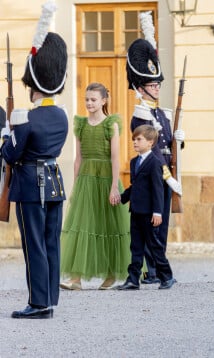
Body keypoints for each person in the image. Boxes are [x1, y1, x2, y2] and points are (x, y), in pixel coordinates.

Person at [1, 2, 68, 319]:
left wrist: (8, 132)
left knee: (34, 246)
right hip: (54, 182)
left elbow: (10, 154)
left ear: (32, 85)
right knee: (51, 243)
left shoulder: (26, 118)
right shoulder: (61, 116)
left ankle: (39, 303)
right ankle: (50, 297)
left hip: (31, 186)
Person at [126, 11, 184, 285]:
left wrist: (180, 140)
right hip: (156, 173)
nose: (157, 88)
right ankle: (154, 271)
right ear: (140, 88)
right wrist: (167, 175)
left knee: (161, 225)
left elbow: (168, 143)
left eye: (158, 83)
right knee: (151, 222)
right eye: (151, 84)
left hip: (166, 169)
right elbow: (151, 147)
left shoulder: (162, 113)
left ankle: (157, 271)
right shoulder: (141, 114)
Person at [59, 83, 131, 290]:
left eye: (93, 99)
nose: (89, 103)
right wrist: (76, 185)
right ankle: (76, 279)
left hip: (107, 179)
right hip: (86, 181)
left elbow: (116, 158)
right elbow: (78, 159)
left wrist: (114, 187)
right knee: (83, 227)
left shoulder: (111, 124)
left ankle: (110, 275)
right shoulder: (81, 124)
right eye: (87, 99)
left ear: (103, 101)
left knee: (108, 226)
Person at [116, 124, 176, 290]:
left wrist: (158, 211)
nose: (135, 142)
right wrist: (121, 198)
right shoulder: (135, 162)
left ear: (150, 143)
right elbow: (134, 186)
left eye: (139, 139)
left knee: (154, 246)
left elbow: (158, 189)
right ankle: (133, 279)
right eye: (134, 139)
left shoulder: (155, 163)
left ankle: (166, 276)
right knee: (135, 246)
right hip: (136, 211)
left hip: (149, 213)